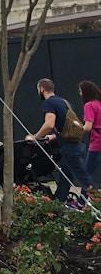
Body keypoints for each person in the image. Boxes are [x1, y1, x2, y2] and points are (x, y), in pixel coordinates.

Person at [26, 78, 94, 210]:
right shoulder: (64, 102)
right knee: (65, 177)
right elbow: (67, 125)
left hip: (70, 149)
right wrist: (54, 136)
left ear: (41, 89)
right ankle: (57, 204)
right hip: (78, 145)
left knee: (86, 182)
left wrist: (34, 137)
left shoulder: (49, 103)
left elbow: (49, 124)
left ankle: (91, 204)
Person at [81, 80, 101, 185]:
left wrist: (76, 130)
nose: (80, 94)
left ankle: (82, 200)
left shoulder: (89, 105)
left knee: (87, 173)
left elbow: (88, 127)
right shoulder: (99, 104)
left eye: (80, 91)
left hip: (97, 142)